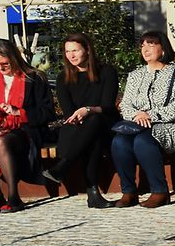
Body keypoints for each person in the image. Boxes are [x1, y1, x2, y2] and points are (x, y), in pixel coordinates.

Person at [0, 38, 54, 213]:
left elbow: (47, 112)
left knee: (1, 141)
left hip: (24, 128)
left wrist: (18, 112)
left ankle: (14, 196)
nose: (0, 68)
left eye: (4, 64)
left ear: (14, 58)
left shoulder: (34, 77)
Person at [112, 31, 175, 209]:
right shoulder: (135, 75)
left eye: (151, 44)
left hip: (170, 125)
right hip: (137, 124)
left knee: (143, 141)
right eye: (143, 46)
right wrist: (137, 115)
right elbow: (126, 105)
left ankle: (160, 191)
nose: (145, 49)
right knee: (119, 142)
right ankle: (128, 191)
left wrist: (151, 116)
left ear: (163, 48)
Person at [43, 32, 119, 209]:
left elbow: (108, 106)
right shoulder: (63, 78)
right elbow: (69, 112)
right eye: (67, 51)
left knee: (95, 121)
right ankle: (93, 195)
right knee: (91, 136)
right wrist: (80, 117)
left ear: (87, 50)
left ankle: (64, 166)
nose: (71, 55)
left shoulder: (107, 72)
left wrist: (88, 110)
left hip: (105, 122)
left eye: (75, 50)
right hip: (77, 126)